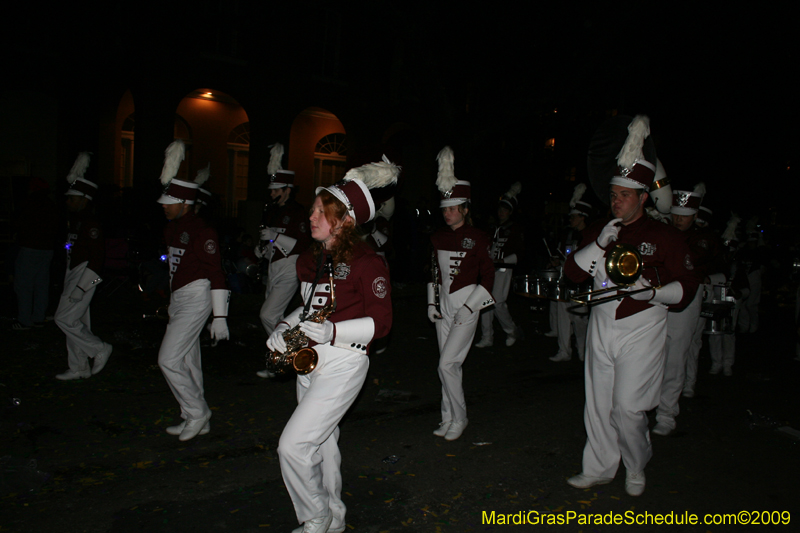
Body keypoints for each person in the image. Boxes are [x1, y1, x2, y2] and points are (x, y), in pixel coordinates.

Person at [564, 116, 698, 496]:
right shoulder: (599, 229)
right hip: (602, 324)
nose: (616, 201)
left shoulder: (665, 235)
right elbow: (572, 274)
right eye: (613, 194)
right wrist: (599, 244)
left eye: (624, 195)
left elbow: (687, 287)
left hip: (643, 326)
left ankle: (636, 465)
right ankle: (599, 467)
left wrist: (653, 294)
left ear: (642, 197)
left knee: (627, 408)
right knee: (597, 404)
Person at [268, 157, 396, 533]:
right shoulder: (311, 258)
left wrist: (334, 333)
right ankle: (335, 516)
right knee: (323, 444)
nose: (312, 216)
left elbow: (383, 323)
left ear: (345, 220)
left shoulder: (367, 261)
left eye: (322, 212)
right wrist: (284, 325)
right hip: (311, 360)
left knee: (292, 446)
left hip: (344, 362)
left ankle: (316, 516)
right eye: (312, 209)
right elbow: (309, 306)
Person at [156, 141, 230, 441]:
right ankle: (194, 416)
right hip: (180, 297)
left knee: (168, 359)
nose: (163, 205)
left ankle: (198, 413)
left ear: (184, 204)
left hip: (197, 295)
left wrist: (220, 316)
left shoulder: (202, 231)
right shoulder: (171, 226)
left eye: (168, 202)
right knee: (187, 359)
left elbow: (217, 274)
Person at [428, 147, 495, 441]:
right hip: (443, 304)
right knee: (446, 365)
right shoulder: (437, 236)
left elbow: (489, 275)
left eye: (454, 208)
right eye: (445, 208)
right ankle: (447, 417)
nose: (448, 213)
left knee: (448, 364)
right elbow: (432, 271)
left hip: (467, 304)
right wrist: (431, 302)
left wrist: (472, 307)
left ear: (466, 209)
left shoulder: (479, 237)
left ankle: (461, 417)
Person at [653, 182, 722, 435]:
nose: (679, 220)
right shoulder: (665, 232)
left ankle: (667, 414)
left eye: (685, 216)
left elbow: (690, 261)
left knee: (675, 356)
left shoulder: (702, 239)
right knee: (653, 353)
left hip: (687, 297)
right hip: (660, 295)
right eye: (676, 215)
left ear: (694, 216)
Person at [53, 153, 113, 380]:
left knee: (63, 319)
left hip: (85, 274)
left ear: (84, 199)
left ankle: (99, 348)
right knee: (75, 322)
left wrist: (82, 286)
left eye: (72, 198)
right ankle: (79, 367)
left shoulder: (91, 223)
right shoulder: (77, 220)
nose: (68, 202)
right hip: (74, 272)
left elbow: (98, 260)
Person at [256, 143, 310, 378]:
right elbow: (272, 241)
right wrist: (263, 249)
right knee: (276, 318)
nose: (272, 193)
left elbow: (302, 243)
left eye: (277, 190)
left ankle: (291, 352)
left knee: (267, 315)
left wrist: (275, 237)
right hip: (274, 265)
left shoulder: (298, 211)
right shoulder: (271, 210)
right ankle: (280, 363)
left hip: (291, 266)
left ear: (288, 189)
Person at [475, 182, 523, 348]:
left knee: (498, 302)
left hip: (504, 270)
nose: (501, 213)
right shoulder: (492, 227)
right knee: (485, 301)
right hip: (489, 268)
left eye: (505, 210)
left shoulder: (515, 229)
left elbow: (520, 252)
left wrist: (505, 260)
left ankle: (511, 330)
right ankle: (487, 337)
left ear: (510, 212)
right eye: (500, 209)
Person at [550, 183, 592, 362]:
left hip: (581, 284)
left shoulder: (590, 236)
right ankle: (564, 351)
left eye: (574, 217)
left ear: (583, 217)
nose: (571, 219)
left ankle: (583, 352)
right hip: (564, 280)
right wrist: (557, 261)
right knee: (563, 317)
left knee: (580, 320)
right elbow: (560, 254)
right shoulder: (567, 234)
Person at [12, 177, 59, 330]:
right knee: (41, 284)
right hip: (46, 249)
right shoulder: (50, 205)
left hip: (30, 248)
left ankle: (25, 319)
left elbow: (19, 224)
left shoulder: (28, 203)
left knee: (25, 285)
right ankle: (38, 317)